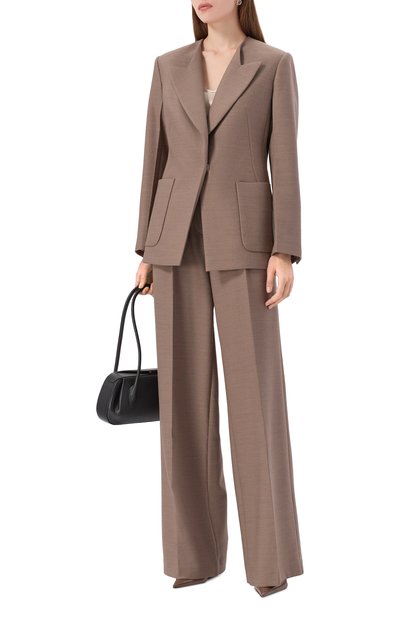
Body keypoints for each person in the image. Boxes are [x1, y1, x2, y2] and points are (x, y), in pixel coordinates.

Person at [134, 0, 304, 598]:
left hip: (246, 242)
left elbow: (285, 162)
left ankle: (269, 563)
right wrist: (147, 247)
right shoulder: (167, 65)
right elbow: (155, 159)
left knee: (255, 400)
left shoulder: (273, 64)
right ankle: (194, 555)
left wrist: (284, 249)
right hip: (175, 241)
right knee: (182, 399)